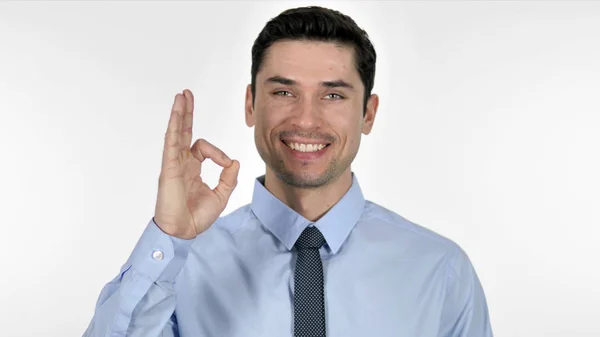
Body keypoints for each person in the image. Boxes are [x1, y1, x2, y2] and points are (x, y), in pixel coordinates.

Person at [83, 5, 493, 337]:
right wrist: (169, 236)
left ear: (368, 113)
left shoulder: (440, 270)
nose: (306, 119)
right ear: (250, 104)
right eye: (283, 92)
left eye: (333, 94)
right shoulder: (177, 266)